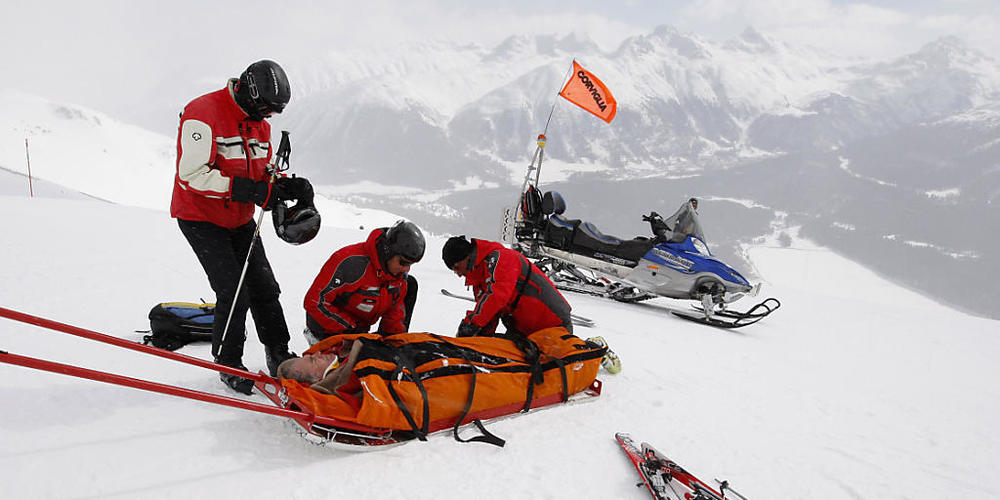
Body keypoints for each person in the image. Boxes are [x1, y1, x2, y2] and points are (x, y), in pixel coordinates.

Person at [171, 59, 312, 394]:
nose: (269, 118)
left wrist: (285, 186)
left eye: (275, 113)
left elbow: (259, 171)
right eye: (266, 109)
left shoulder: (259, 124)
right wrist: (249, 190)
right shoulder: (202, 113)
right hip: (200, 216)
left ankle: (277, 352)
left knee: (264, 286)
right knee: (233, 289)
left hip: (238, 217)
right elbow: (190, 176)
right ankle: (228, 361)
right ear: (249, 93)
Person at [303, 220, 424, 344]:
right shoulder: (351, 262)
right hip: (328, 327)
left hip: (359, 331)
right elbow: (314, 302)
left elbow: (395, 311)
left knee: (411, 284)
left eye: (410, 264)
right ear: (388, 251)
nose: (406, 269)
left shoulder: (398, 277)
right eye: (403, 262)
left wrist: (393, 343)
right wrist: (352, 330)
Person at [442, 236, 573, 338]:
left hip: (553, 326)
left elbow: (498, 295)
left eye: (456, 267)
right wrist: (475, 341)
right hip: (524, 332)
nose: (458, 274)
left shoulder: (503, 258)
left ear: (466, 256)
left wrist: (471, 323)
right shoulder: (480, 280)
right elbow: (489, 317)